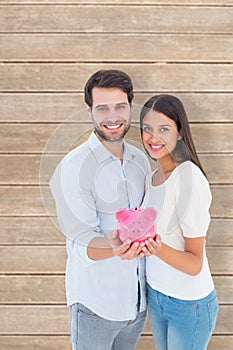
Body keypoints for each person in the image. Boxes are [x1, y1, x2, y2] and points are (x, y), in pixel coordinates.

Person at [49, 69, 158, 350]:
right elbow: (80, 241)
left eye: (120, 106)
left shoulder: (140, 161)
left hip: (136, 304)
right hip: (96, 305)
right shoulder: (73, 168)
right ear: (90, 112)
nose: (112, 117)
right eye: (102, 109)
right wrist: (115, 246)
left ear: (131, 107)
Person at [139, 94, 218, 350]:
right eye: (147, 129)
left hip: (189, 304)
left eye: (164, 129)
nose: (154, 137)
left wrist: (155, 247)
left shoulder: (189, 179)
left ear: (180, 132)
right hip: (157, 295)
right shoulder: (151, 180)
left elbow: (194, 262)